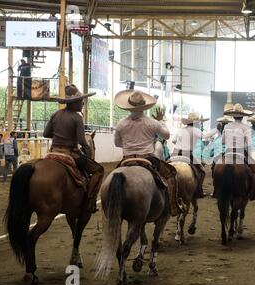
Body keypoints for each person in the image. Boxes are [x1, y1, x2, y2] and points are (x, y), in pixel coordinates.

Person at [113, 89, 179, 213]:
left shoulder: (121, 123)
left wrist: (129, 145)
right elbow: (167, 135)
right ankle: (173, 206)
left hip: (126, 159)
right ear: (144, 106)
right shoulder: (152, 122)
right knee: (170, 174)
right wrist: (160, 121)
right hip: (147, 158)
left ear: (129, 107)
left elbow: (117, 143)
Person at [43, 84, 104, 213]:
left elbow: (46, 134)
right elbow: (82, 140)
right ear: (75, 103)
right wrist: (87, 148)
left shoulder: (56, 114)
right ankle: (89, 202)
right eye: (81, 101)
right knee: (99, 170)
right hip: (70, 153)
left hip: (53, 152)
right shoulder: (77, 118)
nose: (82, 103)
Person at [221, 103, 255, 201]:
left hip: (228, 152)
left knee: (214, 167)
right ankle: (252, 194)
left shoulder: (227, 126)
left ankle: (217, 191)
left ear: (233, 116)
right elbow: (249, 143)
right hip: (241, 152)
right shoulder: (246, 127)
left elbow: (223, 141)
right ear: (243, 117)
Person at [171, 112, 209, 198]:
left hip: (175, 153)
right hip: (188, 154)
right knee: (202, 171)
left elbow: (173, 141)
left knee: (165, 166)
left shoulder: (181, 130)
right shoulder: (197, 131)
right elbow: (204, 137)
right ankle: (198, 190)